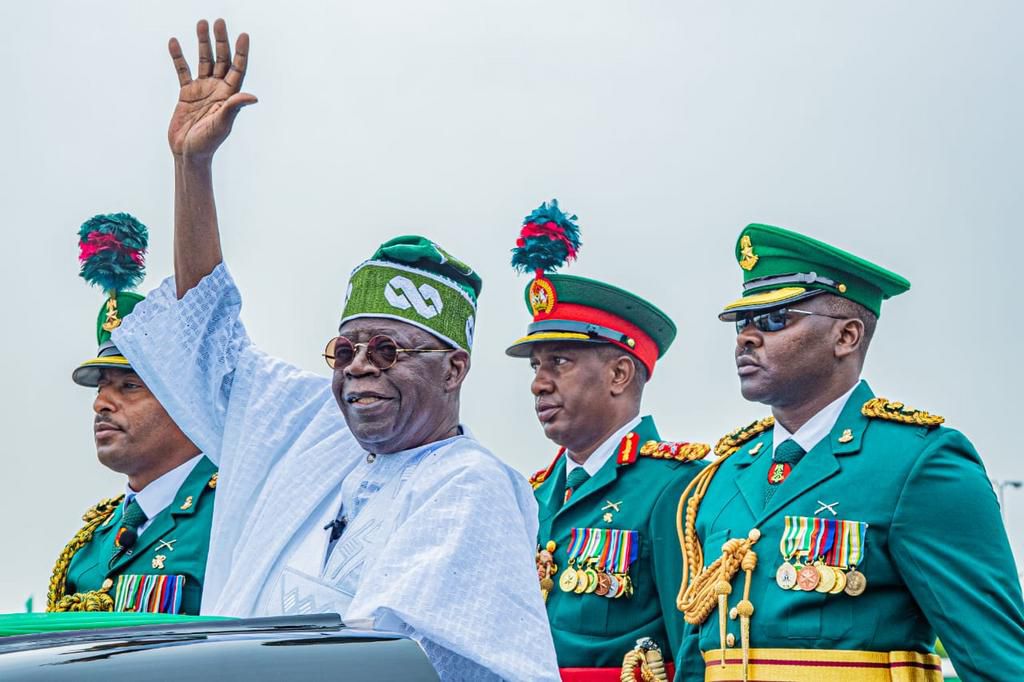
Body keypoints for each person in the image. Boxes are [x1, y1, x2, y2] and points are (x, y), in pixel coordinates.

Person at [109, 18, 558, 681]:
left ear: (454, 368)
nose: (359, 369)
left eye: (386, 350)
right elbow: (210, 342)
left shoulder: (470, 486)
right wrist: (192, 168)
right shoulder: (308, 434)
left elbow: (383, 654)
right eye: (344, 351)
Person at [675, 223, 1024, 681]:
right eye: (744, 323)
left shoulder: (918, 464)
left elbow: (1000, 664)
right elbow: (695, 660)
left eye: (776, 319)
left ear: (847, 337)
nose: (747, 338)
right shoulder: (723, 475)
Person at [504, 200, 708, 681]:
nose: (539, 383)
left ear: (619, 373)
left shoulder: (675, 487)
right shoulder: (535, 493)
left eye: (559, 362)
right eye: (536, 366)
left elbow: (693, 648)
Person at [48, 213, 216, 615]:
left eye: (129, 386)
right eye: (101, 387)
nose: (101, 404)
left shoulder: (230, 510)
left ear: (183, 399)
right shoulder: (91, 542)